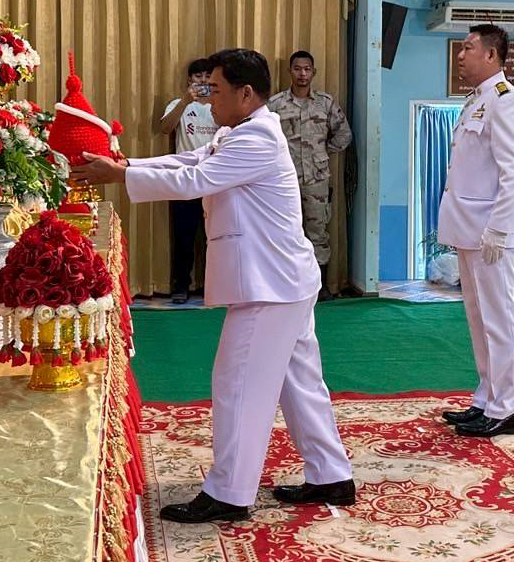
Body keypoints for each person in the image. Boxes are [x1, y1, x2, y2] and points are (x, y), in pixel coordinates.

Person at [72, 48, 354, 523]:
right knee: (299, 382)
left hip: (271, 286)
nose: (208, 99)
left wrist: (121, 175)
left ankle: (231, 493)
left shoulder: (256, 138)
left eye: (216, 91)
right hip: (283, 279)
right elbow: (187, 159)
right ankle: (331, 475)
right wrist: (127, 163)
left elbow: (195, 179)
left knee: (238, 383)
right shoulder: (239, 131)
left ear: (246, 94)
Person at [439, 25, 514, 439]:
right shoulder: (476, 100)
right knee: (479, 319)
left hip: (491, 232)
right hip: (469, 229)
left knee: (499, 318)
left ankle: (505, 407)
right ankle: (486, 397)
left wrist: (498, 228)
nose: (460, 55)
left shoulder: (506, 101)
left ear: (491, 55)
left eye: (469, 48)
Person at [268, 51, 352, 293]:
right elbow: (263, 137)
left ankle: (319, 287)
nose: (302, 74)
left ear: (313, 72)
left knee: (317, 232)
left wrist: (322, 153)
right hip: (284, 180)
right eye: (297, 69)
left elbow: (344, 134)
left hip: (317, 180)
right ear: (290, 72)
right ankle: (286, 285)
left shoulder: (325, 103)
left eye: (307, 69)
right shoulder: (276, 104)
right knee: (284, 232)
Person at [156, 58, 219, 304]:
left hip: (215, 178)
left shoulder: (220, 105)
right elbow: (164, 129)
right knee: (184, 236)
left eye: (207, 76)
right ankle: (181, 286)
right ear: (189, 80)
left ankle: (215, 287)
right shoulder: (178, 104)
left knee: (216, 236)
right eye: (198, 76)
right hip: (186, 179)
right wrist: (185, 101)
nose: (203, 81)